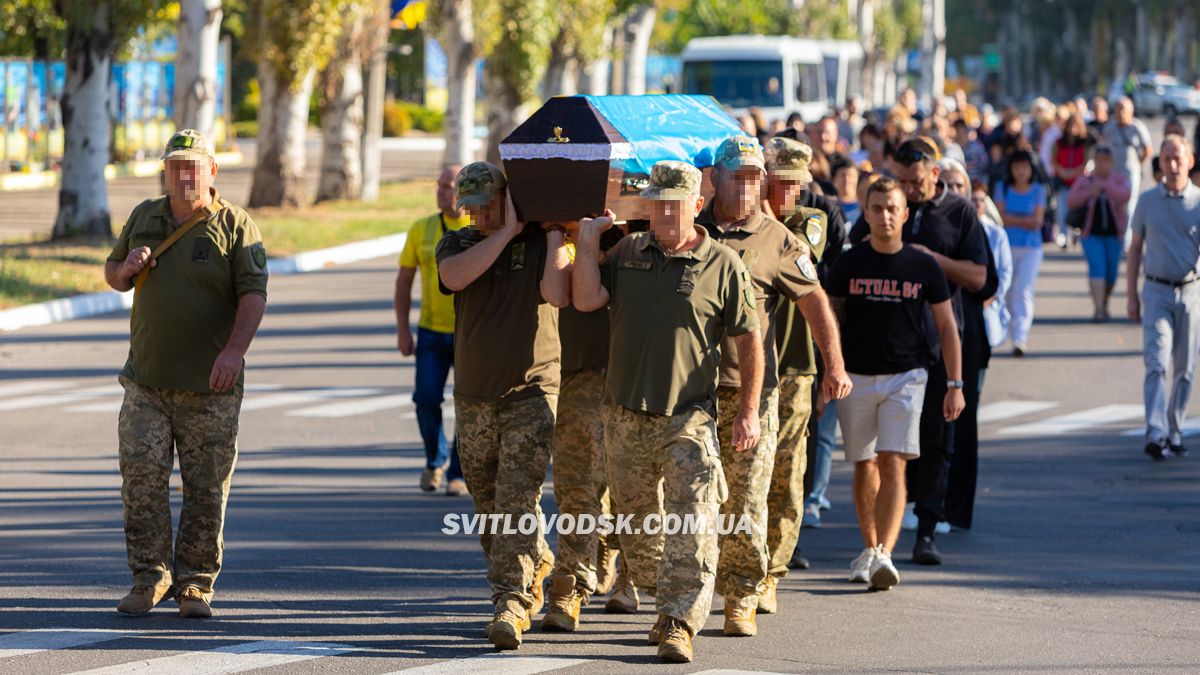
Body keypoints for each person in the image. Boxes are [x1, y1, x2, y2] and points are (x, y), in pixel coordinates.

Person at [572, 160, 763, 663]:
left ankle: (680, 622)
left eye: (675, 205)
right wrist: (589, 240)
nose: (665, 214)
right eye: (657, 204)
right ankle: (668, 603)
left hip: (689, 417)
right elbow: (587, 298)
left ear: (696, 205)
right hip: (624, 414)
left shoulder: (723, 263)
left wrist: (748, 410)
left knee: (695, 521)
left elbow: (749, 341)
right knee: (637, 532)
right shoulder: (629, 250)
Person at [104, 129, 269, 618]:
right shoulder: (144, 217)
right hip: (146, 382)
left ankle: (195, 583)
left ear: (212, 171)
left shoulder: (236, 225)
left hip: (210, 388)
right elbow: (113, 275)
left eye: (193, 166)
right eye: (175, 166)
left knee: (206, 487)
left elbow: (253, 295)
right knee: (141, 479)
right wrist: (126, 269)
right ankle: (149, 578)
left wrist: (233, 352)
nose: (183, 175)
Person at [697, 137, 850, 634]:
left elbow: (815, 302)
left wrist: (835, 365)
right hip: (687, 393)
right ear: (714, 177)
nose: (745, 186)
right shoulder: (686, 230)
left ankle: (744, 591)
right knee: (688, 500)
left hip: (751, 389)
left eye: (752, 177)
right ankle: (688, 594)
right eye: (735, 175)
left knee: (749, 497)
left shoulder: (781, 238)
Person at [435, 161, 571, 649]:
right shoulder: (457, 244)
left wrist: (550, 238)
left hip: (531, 392)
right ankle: (538, 564)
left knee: (516, 501)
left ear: (506, 198)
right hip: (474, 396)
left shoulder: (540, 242)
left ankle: (511, 603)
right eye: (467, 206)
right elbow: (453, 278)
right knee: (488, 509)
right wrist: (505, 231)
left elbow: (557, 294)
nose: (475, 215)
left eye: (484, 205)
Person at [847, 137, 988, 565]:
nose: (906, 189)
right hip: (887, 351)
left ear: (934, 174)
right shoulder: (882, 210)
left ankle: (927, 528)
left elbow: (981, 278)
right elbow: (854, 260)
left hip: (939, 346)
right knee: (885, 452)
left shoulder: (960, 213)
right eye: (901, 180)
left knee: (937, 440)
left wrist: (931, 261)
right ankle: (879, 540)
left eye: (914, 181)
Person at [831, 177, 964, 589]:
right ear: (865, 213)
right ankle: (868, 548)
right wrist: (829, 371)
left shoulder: (924, 266)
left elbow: (947, 327)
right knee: (864, 463)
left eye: (892, 208)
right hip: (855, 375)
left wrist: (955, 383)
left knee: (893, 461)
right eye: (877, 208)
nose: (885, 215)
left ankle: (884, 555)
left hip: (907, 377)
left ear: (905, 214)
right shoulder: (849, 264)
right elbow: (830, 321)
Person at [543, 223, 625, 631]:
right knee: (576, 487)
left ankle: (625, 567)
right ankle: (570, 586)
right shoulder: (564, 241)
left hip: (634, 379)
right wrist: (562, 231)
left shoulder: (644, 243)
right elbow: (559, 292)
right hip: (577, 375)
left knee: (635, 488)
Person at [395, 165, 469, 496]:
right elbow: (404, 281)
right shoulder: (421, 228)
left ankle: (457, 472)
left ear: (465, 192)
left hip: (470, 335)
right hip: (429, 334)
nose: (442, 192)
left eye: (449, 186)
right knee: (426, 399)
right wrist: (402, 330)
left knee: (468, 405)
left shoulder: (479, 229)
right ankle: (434, 460)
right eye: (439, 185)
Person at [1126, 135, 1200, 461]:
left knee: (1184, 368)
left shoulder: (1198, 202)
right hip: (1155, 290)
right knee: (1157, 362)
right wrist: (1131, 295)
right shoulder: (1146, 201)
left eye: (1177, 159)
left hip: (1191, 290)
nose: (1171, 165)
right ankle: (1155, 432)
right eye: (1166, 159)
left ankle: (1175, 429)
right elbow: (1134, 249)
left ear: (1190, 161)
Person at [1067, 145, 1131, 321]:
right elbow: (1071, 200)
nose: (1102, 164)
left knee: (1111, 274)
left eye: (1106, 161)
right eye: (1099, 160)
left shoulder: (1118, 179)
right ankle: (1099, 309)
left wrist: (1104, 186)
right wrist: (1089, 192)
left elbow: (1125, 195)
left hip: (1114, 234)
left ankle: (1105, 299)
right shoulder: (1085, 180)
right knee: (1097, 269)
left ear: (1111, 162)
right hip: (1091, 234)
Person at [994, 150, 1047, 356]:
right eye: (1017, 167)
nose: (1021, 171)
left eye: (1025, 167)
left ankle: (1020, 337)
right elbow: (1000, 218)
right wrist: (1024, 220)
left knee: (1023, 291)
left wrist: (1012, 218)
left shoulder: (1038, 190)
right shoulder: (1003, 188)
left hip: (1031, 248)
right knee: (1006, 291)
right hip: (1006, 247)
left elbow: (1037, 222)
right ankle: (1003, 331)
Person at [971, 180, 1013, 349]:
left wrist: (993, 296)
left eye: (982, 200)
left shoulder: (996, 233)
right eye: (973, 199)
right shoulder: (954, 230)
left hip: (988, 303)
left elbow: (1005, 271)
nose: (978, 204)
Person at [1102, 97, 1152, 223]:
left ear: (1131, 111)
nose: (1121, 113)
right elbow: (1103, 148)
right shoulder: (1109, 128)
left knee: (1129, 207)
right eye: (1118, 110)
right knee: (1113, 205)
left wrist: (1139, 165)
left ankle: (1128, 238)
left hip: (1130, 171)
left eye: (1123, 110)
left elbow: (1147, 150)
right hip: (1113, 172)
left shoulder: (1137, 127)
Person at [1051, 113, 1090, 249]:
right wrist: (1063, 173)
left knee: (1078, 209)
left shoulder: (1084, 143)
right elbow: (1053, 160)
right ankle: (1063, 235)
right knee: (1062, 209)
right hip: (1063, 181)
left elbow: (1086, 162)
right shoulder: (1059, 143)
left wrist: (1074, 173)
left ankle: (1076, 233)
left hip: (1079, 183)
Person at [830, 154, 861, 225]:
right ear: (834, 180)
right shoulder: (830, 206)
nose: (847, 180)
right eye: (842, 175)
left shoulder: (864, 206)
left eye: (850, 175)